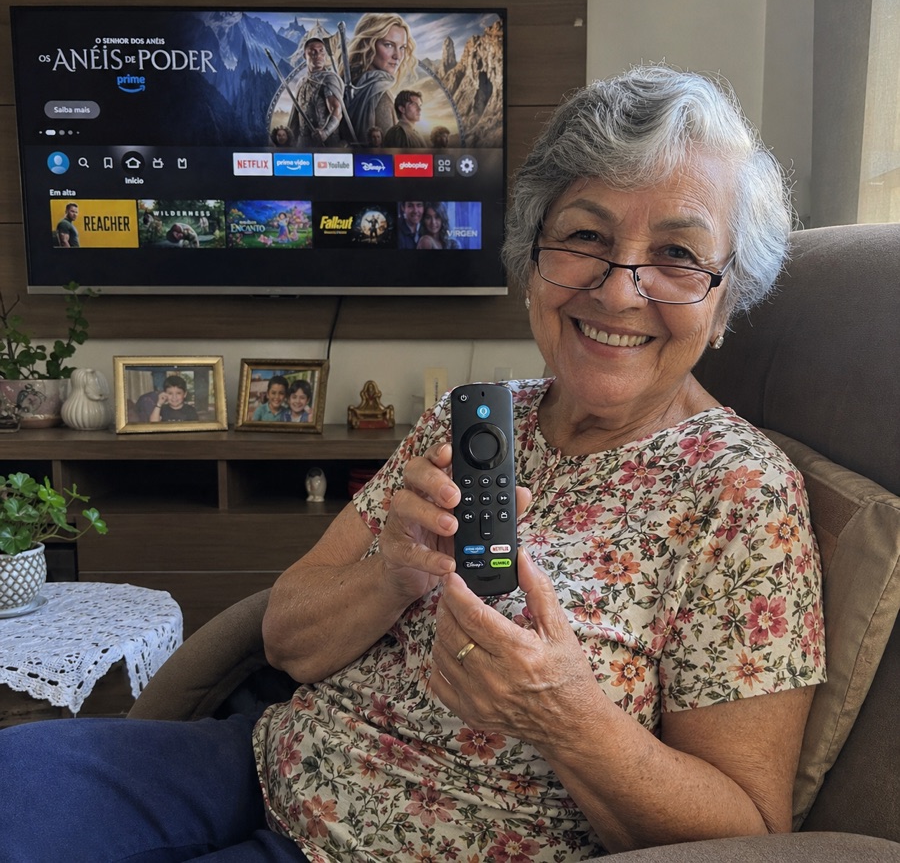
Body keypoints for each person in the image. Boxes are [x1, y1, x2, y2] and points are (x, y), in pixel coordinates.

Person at [0, 64, 825, 862]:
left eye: (677, 254)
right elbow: (287, 640)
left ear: (726, 301)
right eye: (586, 236)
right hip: (256, 764)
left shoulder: (742, 493)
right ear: (531, 259)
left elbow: (751, 834)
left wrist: (567, 715)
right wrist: (390, 572)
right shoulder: (475, 419)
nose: (618, 291)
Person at [345, 12, 417, 141]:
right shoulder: (380, 97)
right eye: (389, 45)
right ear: (368, 44)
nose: (398, 56)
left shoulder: (354, 83)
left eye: (402, 47)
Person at [288, 34, 345, 148]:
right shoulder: (301, 83)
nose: (318, 55)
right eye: (313, 52)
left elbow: (336, 110)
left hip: (326, 144)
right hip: (303, 143)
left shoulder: (328, 79)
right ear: (305, 55)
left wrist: (326, 132)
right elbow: (295, 117)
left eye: (321, 52)